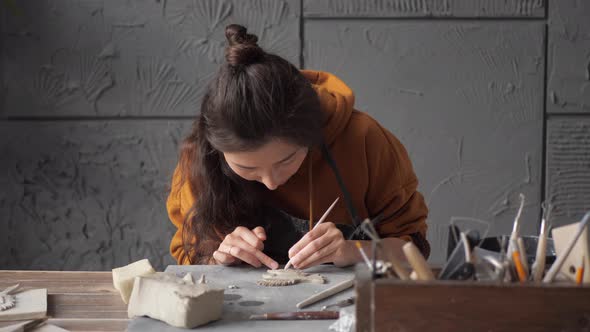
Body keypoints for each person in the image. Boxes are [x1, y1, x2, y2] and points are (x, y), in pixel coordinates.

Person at [166, 24, 429, 270]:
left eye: (286, 160)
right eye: (247, 168)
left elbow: (413, 251)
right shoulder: (200, 157)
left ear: (312, 133)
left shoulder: (364, 140)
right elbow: (187, 253)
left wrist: (354, 250)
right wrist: (218, 256)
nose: (271, 182)